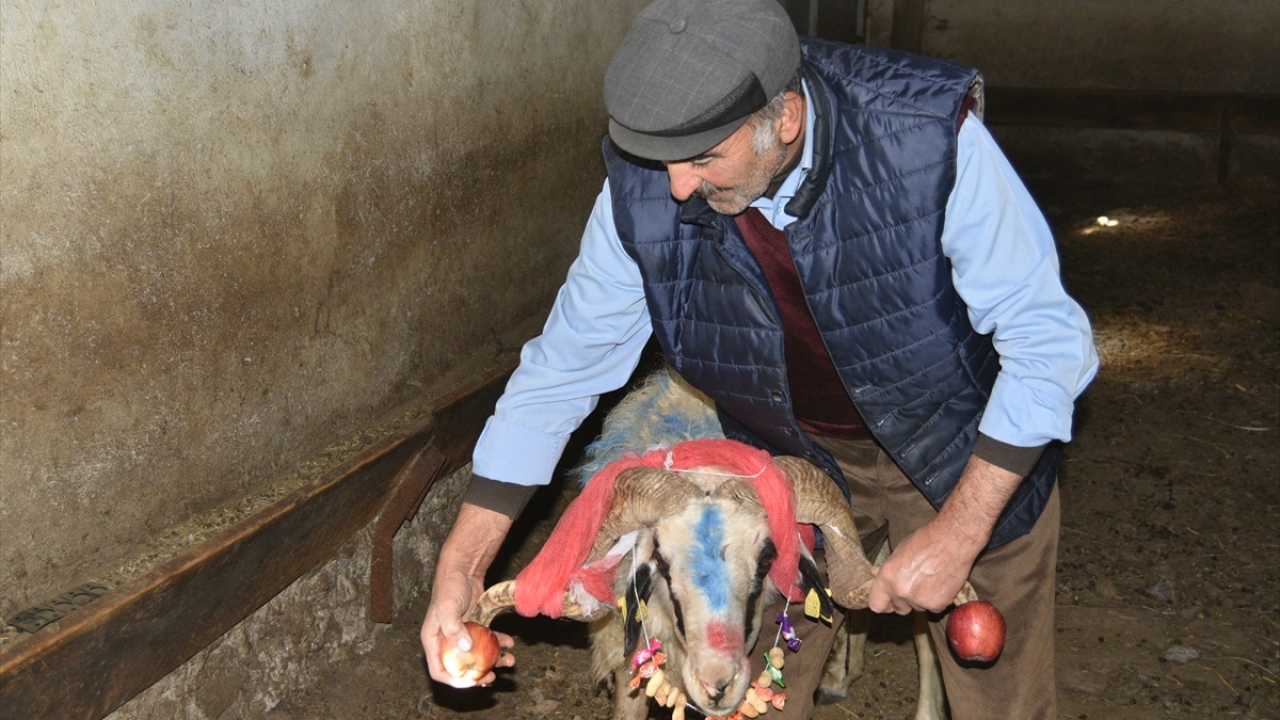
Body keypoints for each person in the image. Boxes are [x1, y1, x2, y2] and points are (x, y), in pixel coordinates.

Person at [421, 1, 1098, 718]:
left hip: (959, 444)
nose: (677, 186)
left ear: (786, 120)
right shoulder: (651, 181)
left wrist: (962, 532)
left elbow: (1050, 343)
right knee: (753, 688)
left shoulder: (926, 143)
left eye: (705, 159)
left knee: (999, 690)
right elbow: (560, 371)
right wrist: (460, 570)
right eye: (662, 160)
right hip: (785, 460)